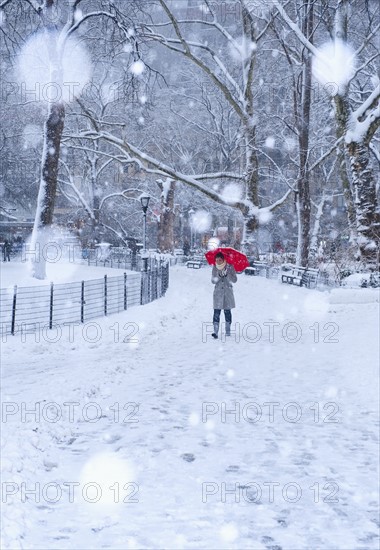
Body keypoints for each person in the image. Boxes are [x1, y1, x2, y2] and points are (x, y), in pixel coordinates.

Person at [211, 252, 237, 339]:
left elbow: (235, 280)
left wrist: (227, 275)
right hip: (218, 293)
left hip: (227, 293)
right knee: (216, 312)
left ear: (223, 260)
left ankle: (228, 331)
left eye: (220, 260)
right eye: (216, 260)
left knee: (227, 312)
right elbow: (213, 281)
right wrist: (219, 275)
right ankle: (215, 331)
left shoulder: (229, 267)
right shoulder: (215, 267)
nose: (218, 262)